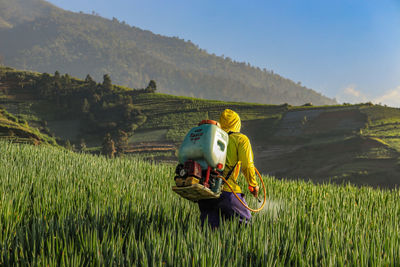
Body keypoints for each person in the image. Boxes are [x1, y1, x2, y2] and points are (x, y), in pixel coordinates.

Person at [198, 109, 259, 228]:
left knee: (209, 232)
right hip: (227, 191)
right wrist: (253, 185)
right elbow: (247, 166)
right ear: (237, 123)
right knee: (247, 226)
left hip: (205, 192)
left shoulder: (210, 137)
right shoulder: (240, 139)